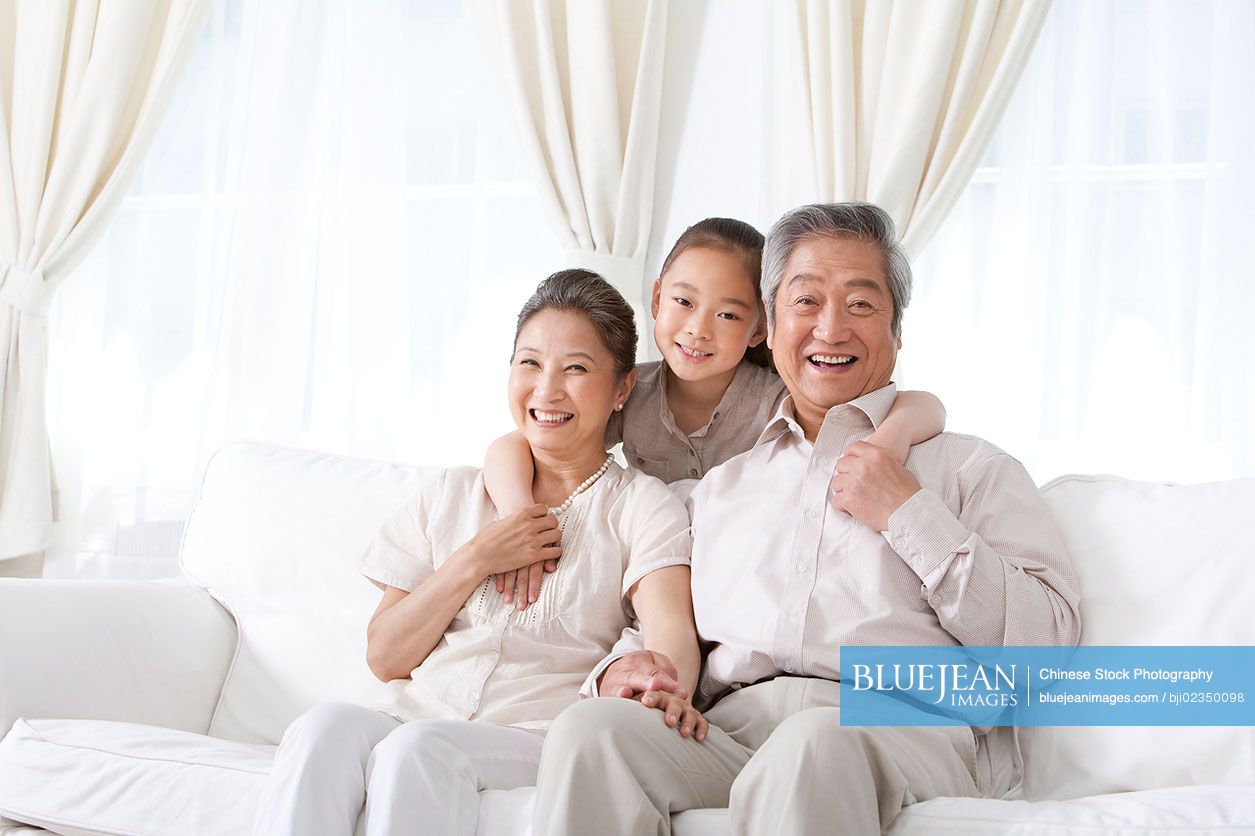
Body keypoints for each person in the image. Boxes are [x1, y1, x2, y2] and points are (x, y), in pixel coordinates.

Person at [532, 203, 1084, 836]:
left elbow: (1046, 648)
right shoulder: (721, 488)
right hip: (730, 729)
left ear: (897, 333)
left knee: (812, 744)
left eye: (860, 304)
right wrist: (627, 673)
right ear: (773, 325)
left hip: (892, 729)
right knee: (590, 733)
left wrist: (908, 513)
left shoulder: (969, 469)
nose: (830, 328)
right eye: (806, 302)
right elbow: (663, 625)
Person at [252, 270, 702, 836]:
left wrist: (658, 686)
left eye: (577, 368)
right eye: (529, 363)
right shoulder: (454, 493)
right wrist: (478, 556)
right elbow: (386, 656)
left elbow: (671, 644)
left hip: (535, 732)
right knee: (322, 728)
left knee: (420, 750)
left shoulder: (641, 506)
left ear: (620, 389)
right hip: (416, 711)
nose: (547, 390)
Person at [484, 217, 948, 611]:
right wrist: (517, 517)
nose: (697, 330)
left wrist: (894, 436)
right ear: (657, 299)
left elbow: (920, 403)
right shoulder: (630, 391)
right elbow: (517, 443)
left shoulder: (778, 398)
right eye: (684, 302)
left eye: (727, 315)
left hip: (748, 581)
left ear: (759, 328)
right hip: (659, 576)